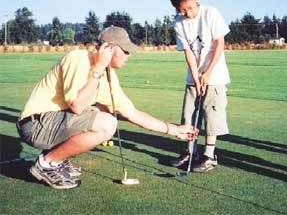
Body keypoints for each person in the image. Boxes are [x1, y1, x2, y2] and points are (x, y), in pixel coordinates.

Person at [16, 26, 198, 189]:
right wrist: (99, 67)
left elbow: (133, 113)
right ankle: (47, 163)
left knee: (101, 113)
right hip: (34, 126)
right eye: (125, 51)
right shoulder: (78, 58)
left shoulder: (107, 75)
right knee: (106, 123)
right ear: (109, 48)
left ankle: (57, 159)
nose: (129, 55)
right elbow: (77, 106)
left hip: (51, 122)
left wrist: (175, 130)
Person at [168, 0, 230, 172]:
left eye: (190, 8)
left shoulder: (211, 13)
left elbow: (219, 43)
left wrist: (208, 73)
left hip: (215, 75)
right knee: (189, 114)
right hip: (193, 77)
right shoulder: (178, 23)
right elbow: (187, 52)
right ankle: (189, 152)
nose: (187, 13)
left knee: (211, 116)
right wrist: (196, 77)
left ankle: (209, 156)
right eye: (182, 10)